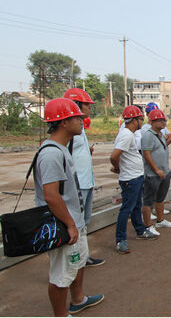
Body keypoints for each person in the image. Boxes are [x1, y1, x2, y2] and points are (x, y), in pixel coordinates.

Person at [34, 98, 104, 316]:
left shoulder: (62, 149)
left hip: (73, 220)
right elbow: (51, 196)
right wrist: (70, 225)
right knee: (61, 274)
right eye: (77, 118)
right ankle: (61, 314)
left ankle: (78, 299)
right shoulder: (51, 154)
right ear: (63, 122)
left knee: (78, 262)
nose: (82, 121)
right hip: (63, 223)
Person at [62, 88, 105, 267]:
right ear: (76, 104)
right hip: (77, 183)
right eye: (87, 104)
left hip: (86, 182)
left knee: (84, 222)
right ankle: (73, 259)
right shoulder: (68, 129)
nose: (89, 107)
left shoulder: (80, 127)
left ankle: (83, 256)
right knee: (76, 222)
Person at [110, 105, 158, 255]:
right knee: (126, 209)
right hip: (130, 178)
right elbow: (114, 156)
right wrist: (117, 167)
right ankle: (120, 240)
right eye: (141, 120)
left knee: (137, 206)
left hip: (135, 177)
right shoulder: (126, 135)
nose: (142, 123)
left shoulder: (128, 133)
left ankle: (140, 230)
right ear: (134, 120)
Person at [140, 109, 171, 236]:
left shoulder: (160, 134)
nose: (163, 123)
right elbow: (146, 155)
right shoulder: (148, 135)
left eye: (164, 120)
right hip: (153, 174)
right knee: (148, 201)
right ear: (152, 122)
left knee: (160, 198)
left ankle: (160, 220)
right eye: (160, 120)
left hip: (163, 172)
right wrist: (156, 170)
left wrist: (165, 170)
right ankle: (147, 226)